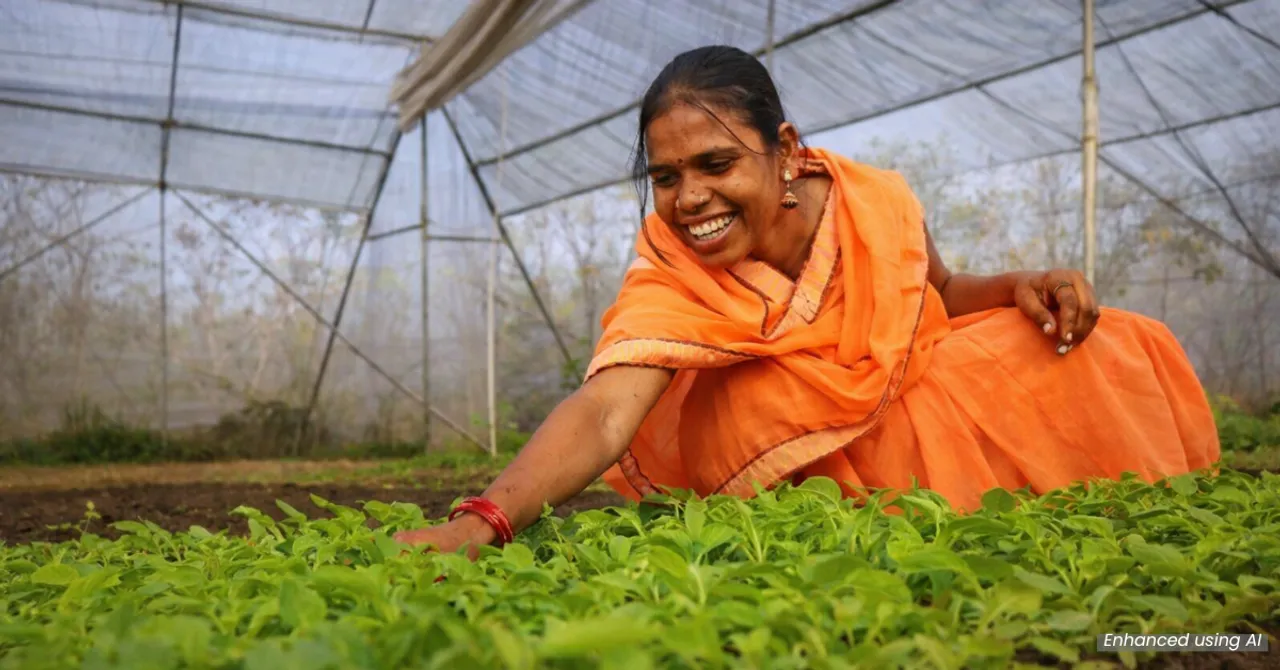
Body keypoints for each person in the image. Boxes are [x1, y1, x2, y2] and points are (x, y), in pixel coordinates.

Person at [394, 45, 1220, 554]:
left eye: (717, 164)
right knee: (754, 390)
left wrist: (1017, 286)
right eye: (666, 177)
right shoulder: (669, 261)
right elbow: (608, 411)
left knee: (1112, 342)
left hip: (910, 390)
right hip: (788, 450)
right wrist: (483, 521)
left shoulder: (870, 200)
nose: (690, 199)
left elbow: (937, 291)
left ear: (784, 150)